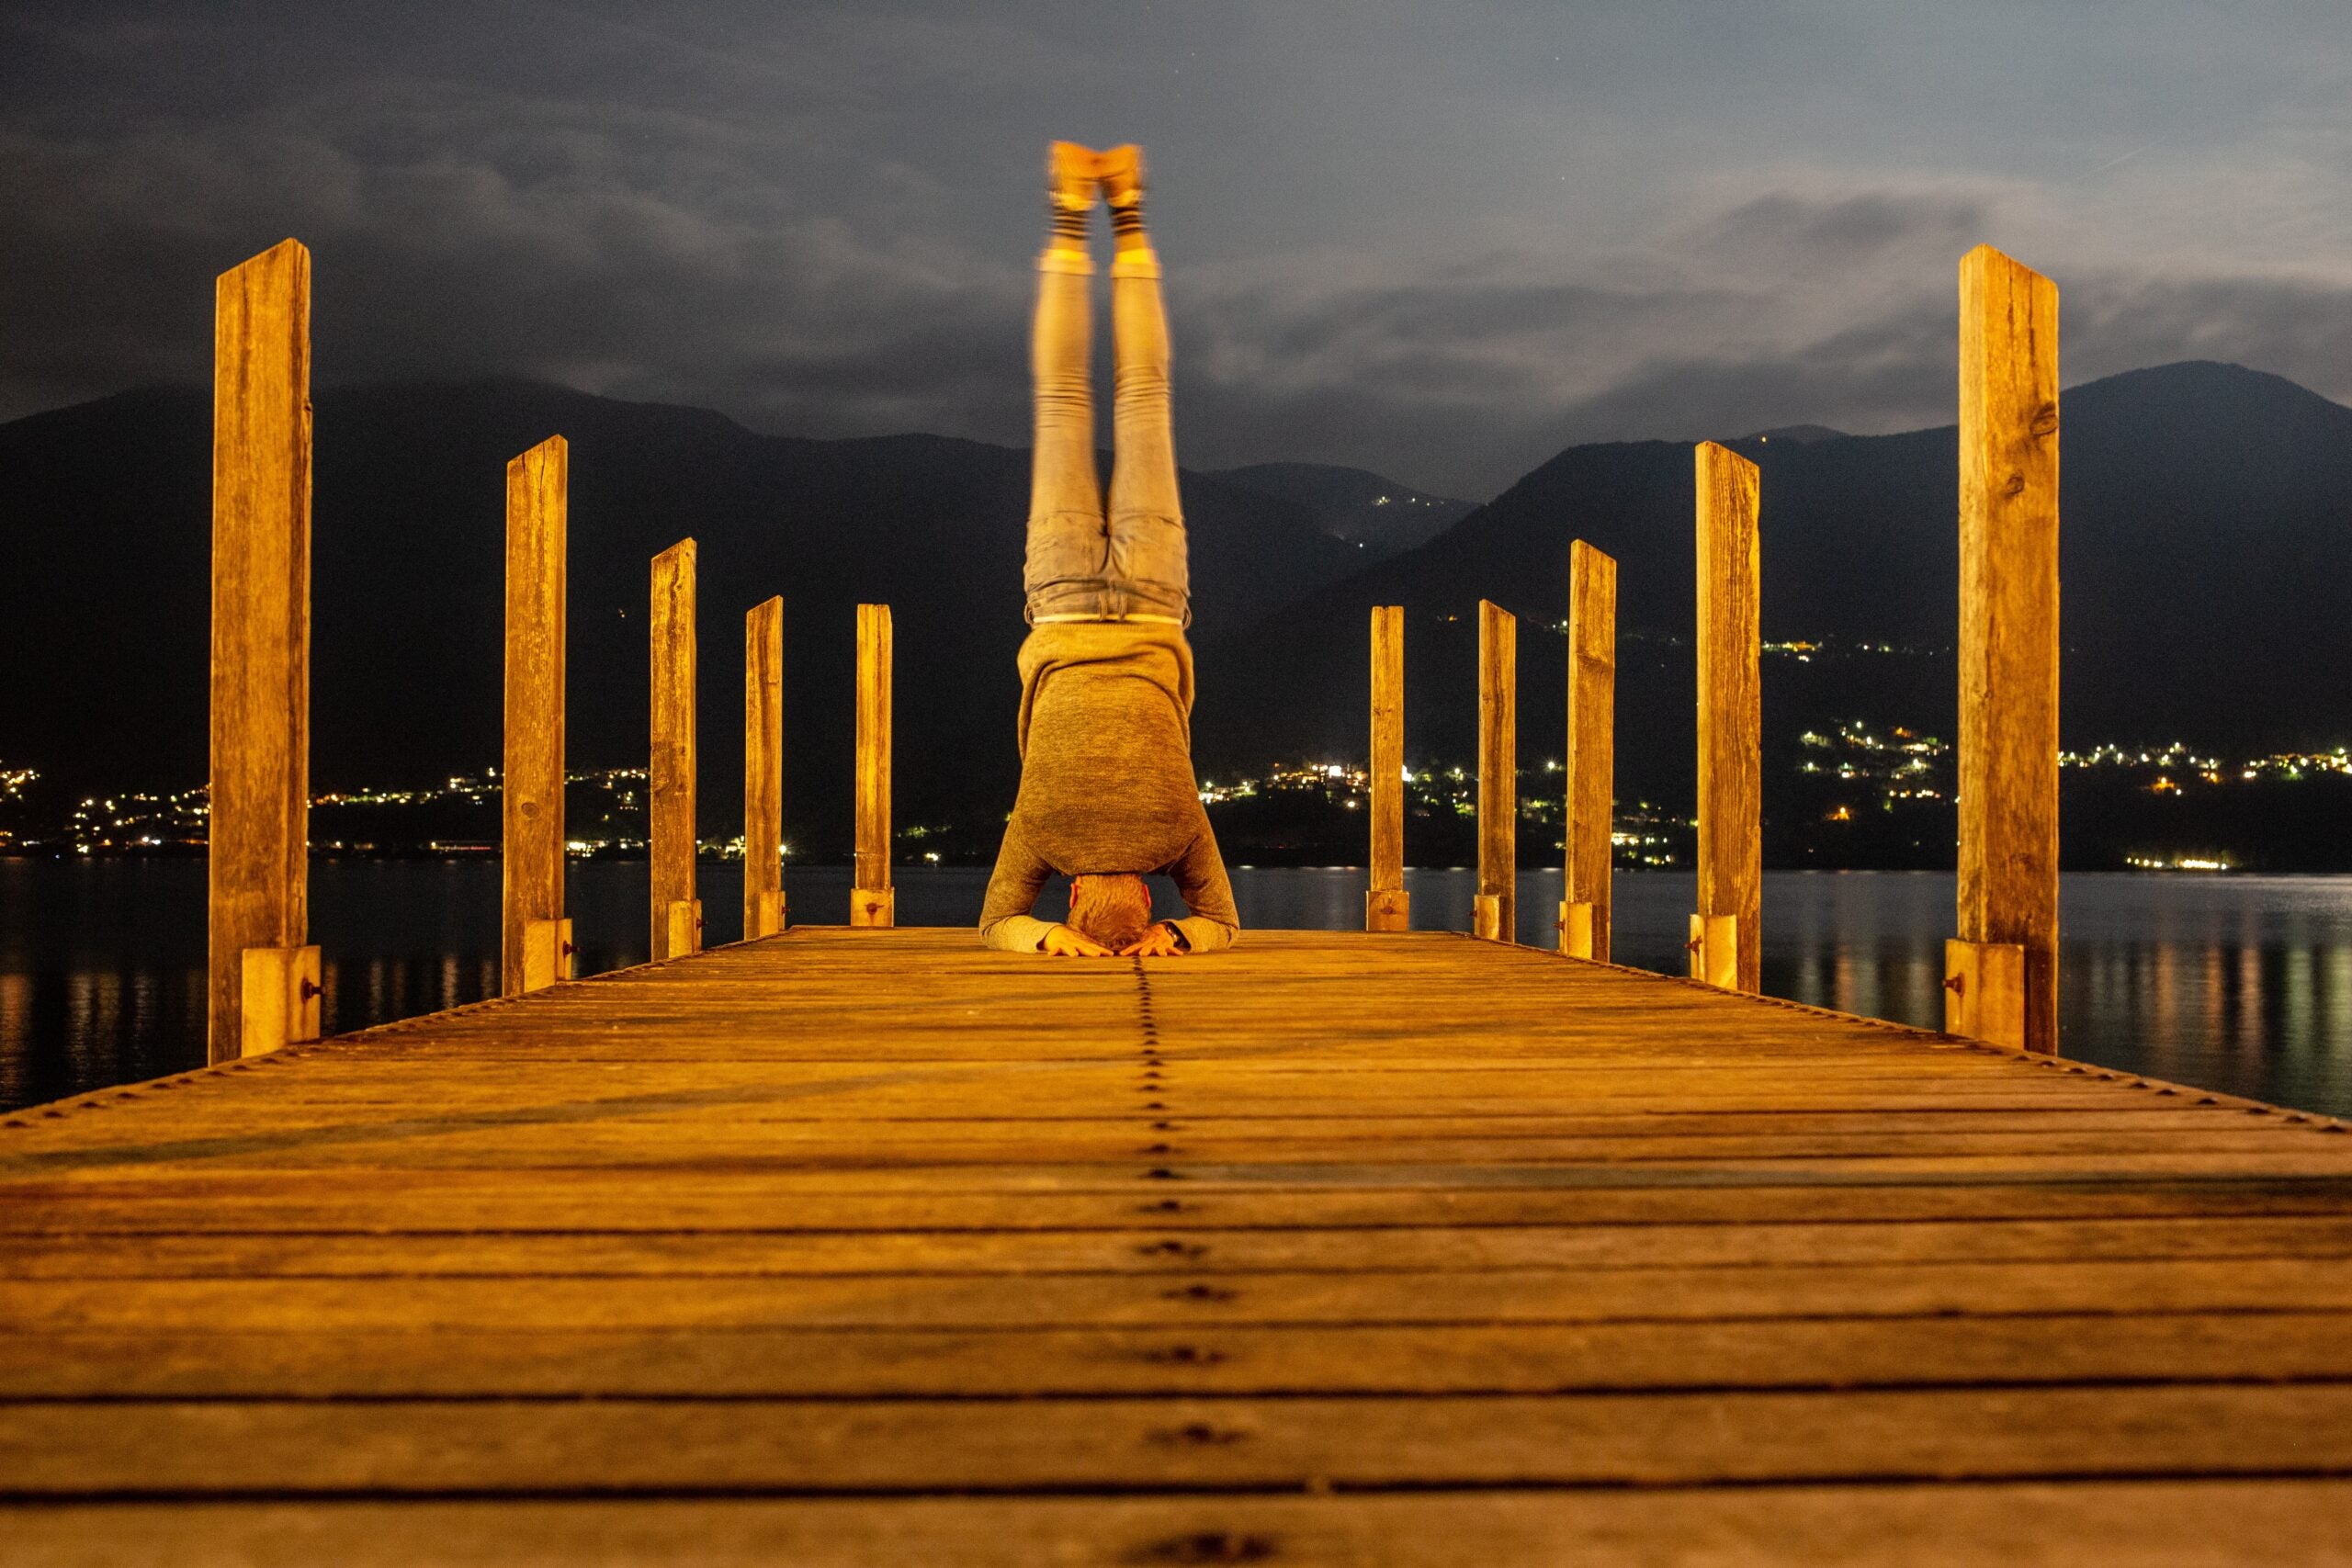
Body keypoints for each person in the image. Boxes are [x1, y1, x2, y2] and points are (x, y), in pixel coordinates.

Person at [978, 141, 1240, 960]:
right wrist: (1048, 941)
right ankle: (1082, 211)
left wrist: (1174, 934)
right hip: (1068, 600)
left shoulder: (1181, 841)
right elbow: (997, 925)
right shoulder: (1041, 839)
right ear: (1074, 895)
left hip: (1149, 600)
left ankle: (1119, 210)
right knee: (1066, 403)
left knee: (1139, 397)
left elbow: (1222, 926)